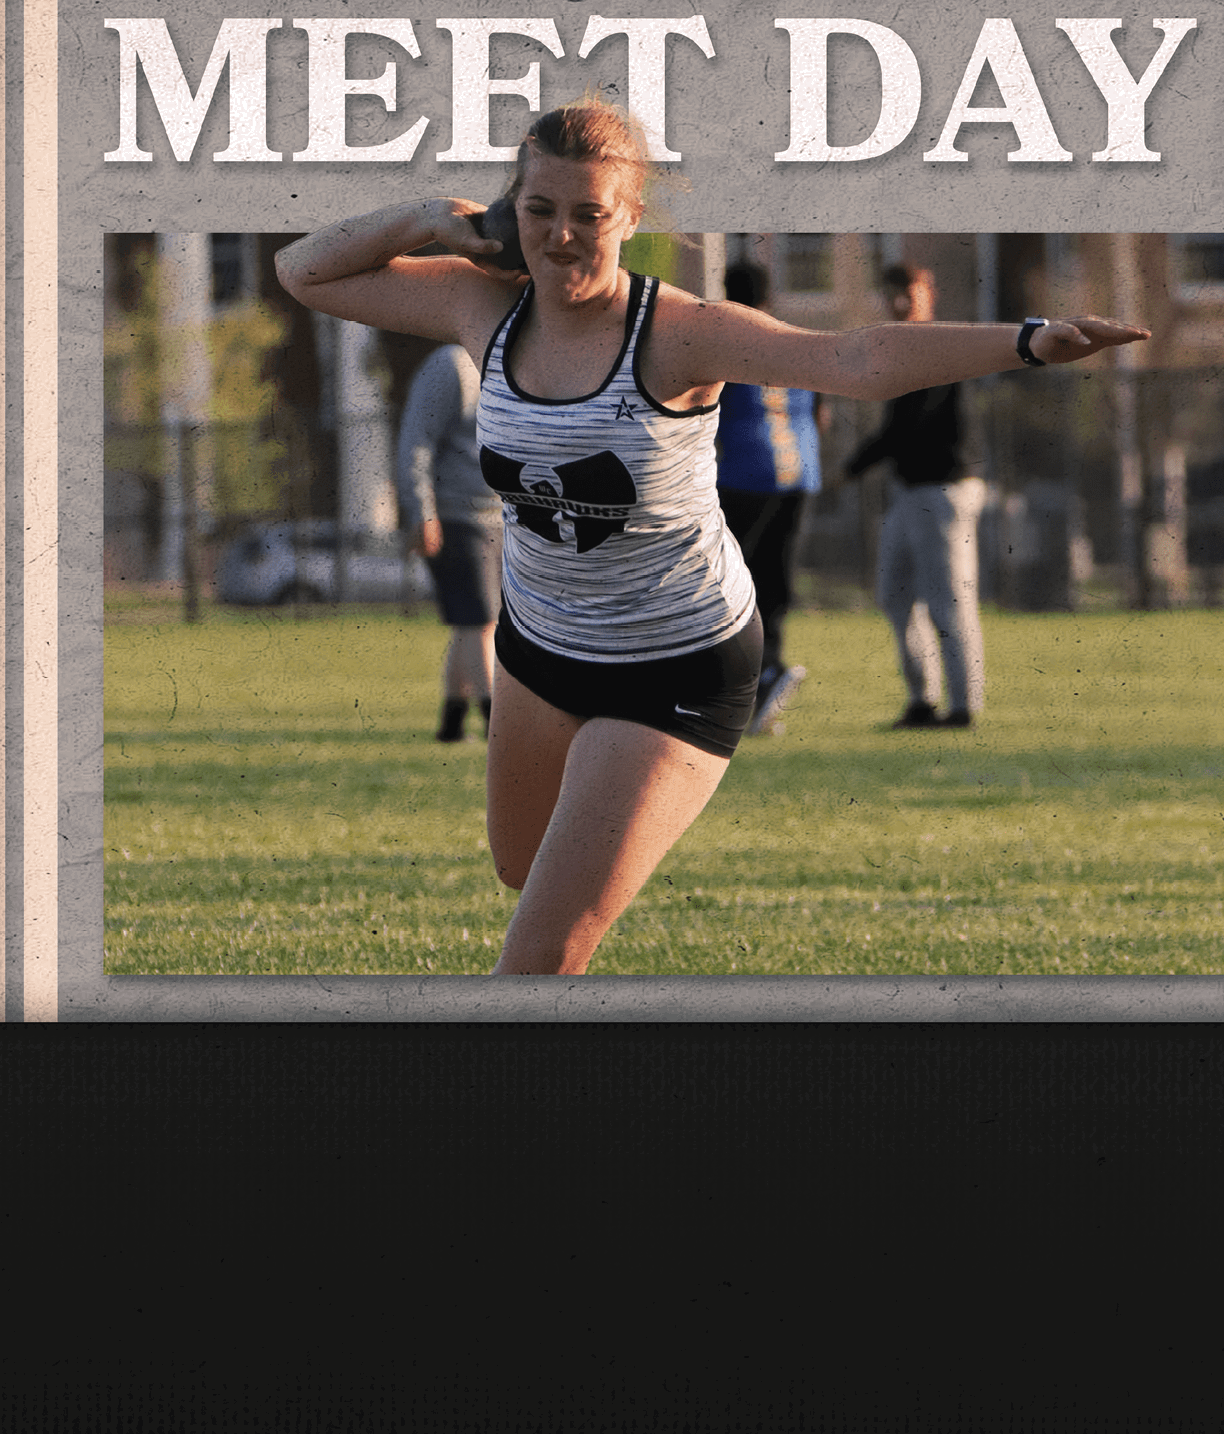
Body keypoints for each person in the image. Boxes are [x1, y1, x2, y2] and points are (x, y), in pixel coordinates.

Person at [275, 99, 1148, 976]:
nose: (563, 237)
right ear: (509, 210)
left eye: (591, 215)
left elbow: (853, 360)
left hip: (675, 665)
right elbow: (302, 272)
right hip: (540, 649)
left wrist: (1029, 341)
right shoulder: (481, 307)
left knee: (538, 959)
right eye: (541, 210)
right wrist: (431, 218)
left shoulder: (679, 331)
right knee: (519, 868)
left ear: (631, 219)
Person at [844, 263, 987, 730]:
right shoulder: (902, 348)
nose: (900, 303)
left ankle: (964, 707)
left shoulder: (939, 345)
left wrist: (852, 466)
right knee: (895, 596)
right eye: (892, 295)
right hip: (909, 491)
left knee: (949, 601)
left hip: (943, 488)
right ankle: (922, 702)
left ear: (929, 292)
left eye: (909, 293)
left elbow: (907, 429)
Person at [716, 260, 832, 736]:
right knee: (776, 579)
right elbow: (822, 408)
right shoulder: (794, 336)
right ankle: (771, 671)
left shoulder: (724, 338)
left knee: (732, 582)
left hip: (746, 471)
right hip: (800, 472)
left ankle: (755, 679)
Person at [396, 342, 503, 743]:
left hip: (498, 516)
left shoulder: (512, 360)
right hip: (457, 517)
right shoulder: (451, 365)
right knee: (481, 622)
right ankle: (497, 726)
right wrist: (421, 511)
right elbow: (415, 441)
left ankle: (452, 726)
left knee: (469, 623)